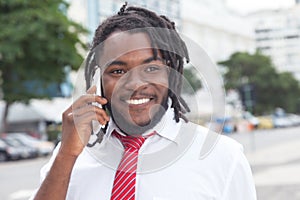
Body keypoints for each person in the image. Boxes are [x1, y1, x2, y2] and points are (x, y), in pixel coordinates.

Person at [30, 3, 256, 200]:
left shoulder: (224, 158)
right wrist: (66, 156)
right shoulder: (71, 154)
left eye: (151, 68)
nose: (135, 83)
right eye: (118, 70)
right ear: (98, 80)